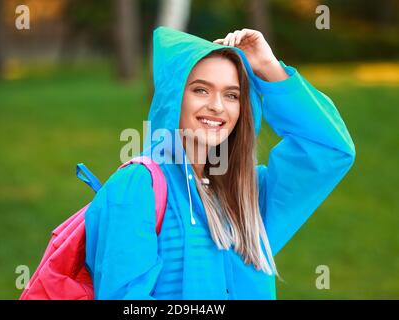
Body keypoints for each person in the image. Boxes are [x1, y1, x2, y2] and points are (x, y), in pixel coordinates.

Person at [84, 26, 356, 300]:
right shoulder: (137, 187)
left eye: (232, 95)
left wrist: (267, 68)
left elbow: (329, 149)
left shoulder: (249, 196)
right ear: (174, 97)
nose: (217, 106)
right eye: (201, 90)